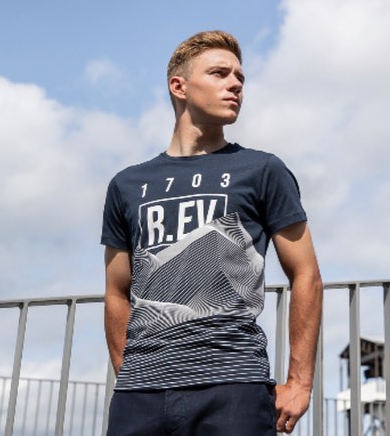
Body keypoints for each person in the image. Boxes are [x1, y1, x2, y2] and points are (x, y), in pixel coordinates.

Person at [102, 30, 323, 435]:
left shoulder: (262, 170)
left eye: (240, 77)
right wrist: (129, 373)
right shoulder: (127, 184)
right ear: (179, 86)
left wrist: (300, 382)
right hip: (140, 395)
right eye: (220, 73)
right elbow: (117, 290)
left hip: (233, 385)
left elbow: (306, 273)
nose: (235, 84)